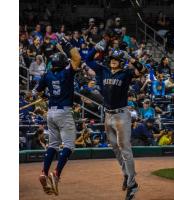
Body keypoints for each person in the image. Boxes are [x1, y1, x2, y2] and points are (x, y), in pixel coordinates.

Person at [86, 39, 146, 199]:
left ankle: (133, 184)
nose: (114, 61)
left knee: (125, 148)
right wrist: (95, 48)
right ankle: (126, 174)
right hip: (108, 115)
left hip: (121, 114)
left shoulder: (125, 73)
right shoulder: (103, 70)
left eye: (117, 59)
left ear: (121, 62)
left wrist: (131, 58)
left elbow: (143, 70)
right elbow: (87, 60)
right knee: (115, 147)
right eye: (112, 58)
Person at [32, 39, 81, 196]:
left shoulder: (46, 75)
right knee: (69, 145)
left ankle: (43, 172)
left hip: (51, 113)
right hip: (64, 112)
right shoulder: (66, 72)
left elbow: (37, 92)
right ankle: (57, 173)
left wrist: (47, 94)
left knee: (52, 145)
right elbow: (77, 59)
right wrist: (67, 45)